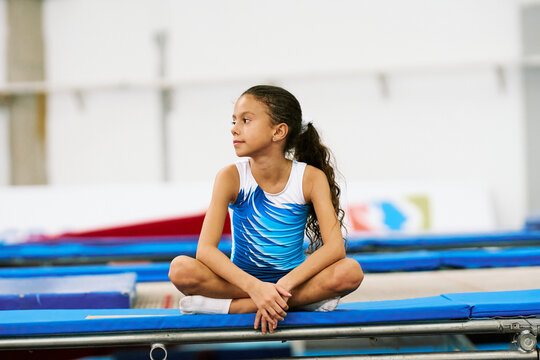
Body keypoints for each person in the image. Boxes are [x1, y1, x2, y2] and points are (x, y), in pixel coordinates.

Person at [169, 85, 363, 334]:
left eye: (246, 120)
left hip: (291, 282)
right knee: (181, 269)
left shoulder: (309, 178)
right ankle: (295, 304)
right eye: (234, 120)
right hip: (243, 283)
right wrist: (255, 288)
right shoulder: (231, 177)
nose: (234, 128)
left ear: (278, 131)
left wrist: (282, 285)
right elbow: (205, 251)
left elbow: (335, 248)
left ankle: (236, 308)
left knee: (350, 272)